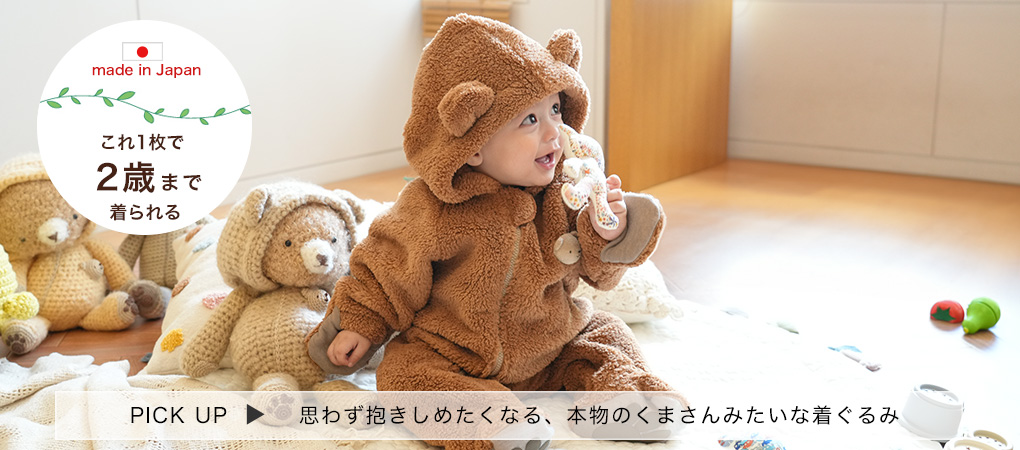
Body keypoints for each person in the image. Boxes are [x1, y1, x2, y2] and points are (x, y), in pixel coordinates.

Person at [306, 14, 680, 450]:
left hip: (550, 344)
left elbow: (598, 274)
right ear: (472, 145)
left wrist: (607, 234)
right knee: (404, 375)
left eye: (555, 110)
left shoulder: (566, 191)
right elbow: (387, 269)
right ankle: (497, 424)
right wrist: (361, 325)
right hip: (454, 353)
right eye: (530, 120)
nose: (554, 132)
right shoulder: (432, 208)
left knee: (605, 334)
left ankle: (627, 405)